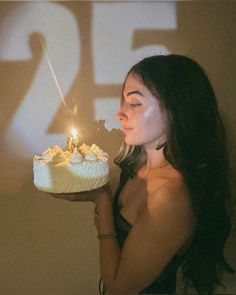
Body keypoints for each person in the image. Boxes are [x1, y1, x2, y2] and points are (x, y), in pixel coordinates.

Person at [52, 54, 234, 294]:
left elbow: (118, 288)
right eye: (123, 101)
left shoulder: (172, 195)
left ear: (175, 110)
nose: (120, 113)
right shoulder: (137, 166)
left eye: (135, 103)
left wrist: (103, 201)